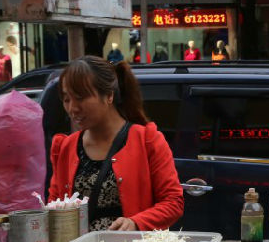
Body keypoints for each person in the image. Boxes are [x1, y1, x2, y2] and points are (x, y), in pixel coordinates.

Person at [48, 56, 184, 231]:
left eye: (80, 98)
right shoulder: (65, 147)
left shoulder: (147, 140)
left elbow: (173, 202)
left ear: (109, 96)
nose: (73, 108)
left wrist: (136, 222)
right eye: (66, 99)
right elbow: (54, 206)